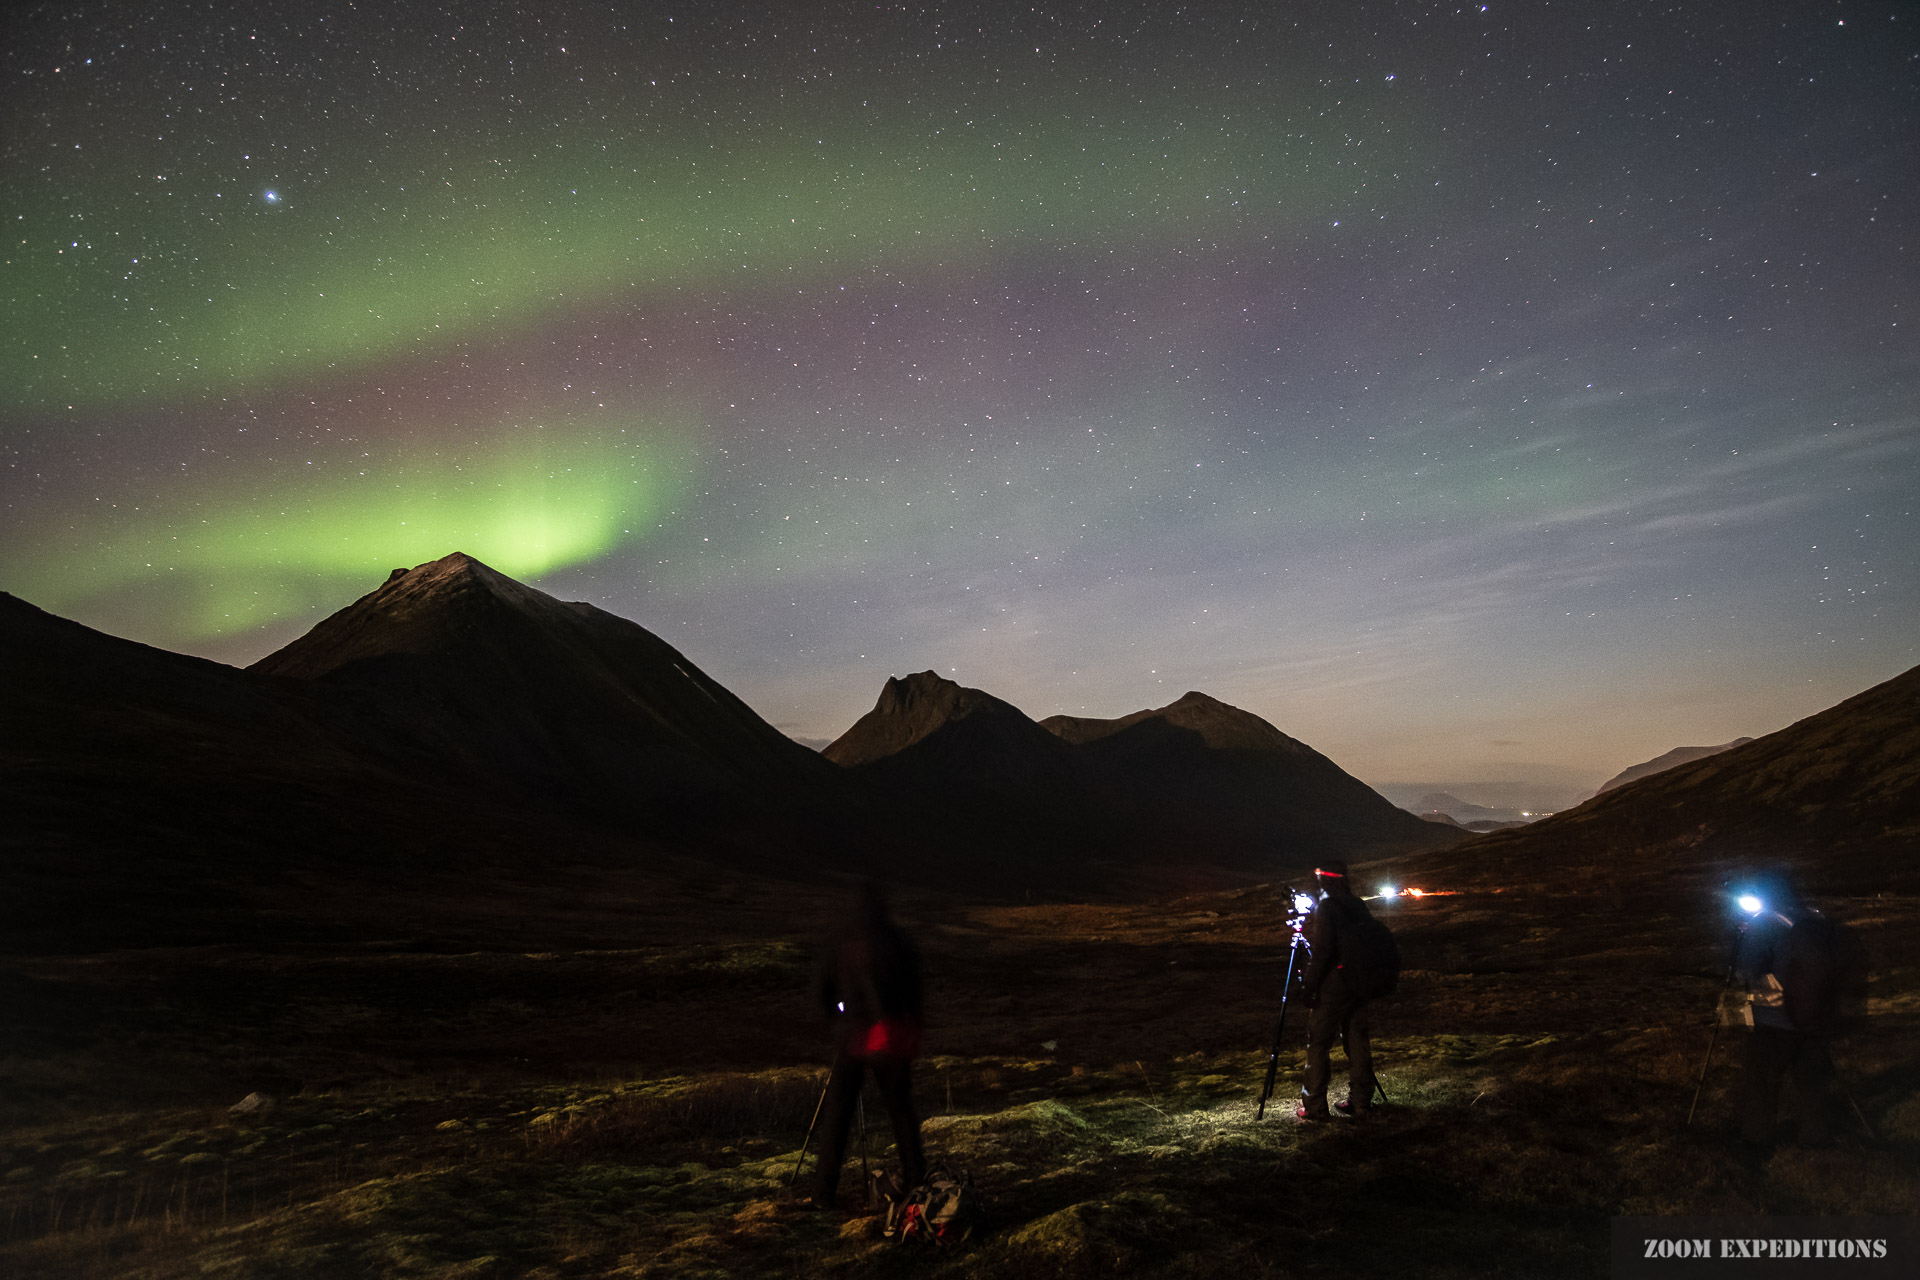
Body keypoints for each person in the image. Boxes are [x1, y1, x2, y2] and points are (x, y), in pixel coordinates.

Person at [808, 879, 927, 1209]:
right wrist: (911, 1023)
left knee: (838, 1116)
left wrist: (839, 1019)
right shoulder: (898, 939)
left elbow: (822, 995)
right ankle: (917, 1178)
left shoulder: (840, 940)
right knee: (901, 1112)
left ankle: (823, 1192)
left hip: (852, 1038)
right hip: (890, 1038)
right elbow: (915, 990)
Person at [1732, 872, 1854, 1147]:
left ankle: (1756, 1141)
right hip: (1812, 1018)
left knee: (1762, 1084)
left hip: (1774, 1023)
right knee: (1812, 1086)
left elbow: (1746, 968)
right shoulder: (1811, 920)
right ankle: (1816, 1140)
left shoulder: (1763, 924)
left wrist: (1743, 938)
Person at [1297, 860, 1382, 1120]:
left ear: (1325, 879)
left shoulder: (1327, 907)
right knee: (1357, 1041)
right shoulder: (1358, 905)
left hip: (1334, 985)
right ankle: (1360, 1102)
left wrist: (1309, 985)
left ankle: (1314, 1107)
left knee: (1319, 1043)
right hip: (1359, 983)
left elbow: (1322, 952)